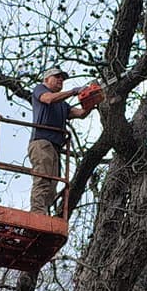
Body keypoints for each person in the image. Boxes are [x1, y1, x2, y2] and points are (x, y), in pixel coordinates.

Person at [28, 68, 94, 214]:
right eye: (56, 77)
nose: (60, 80)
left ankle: (44, 213)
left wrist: (90, 101)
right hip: (42, 143)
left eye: (62, 78)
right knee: (43, 180)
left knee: (52, 186)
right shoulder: (40, 89)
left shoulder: (63, 105)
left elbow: (81, 114)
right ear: (46, 79)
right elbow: (48, 99)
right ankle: (37, 213)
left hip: (55, 147)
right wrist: (73, 91)